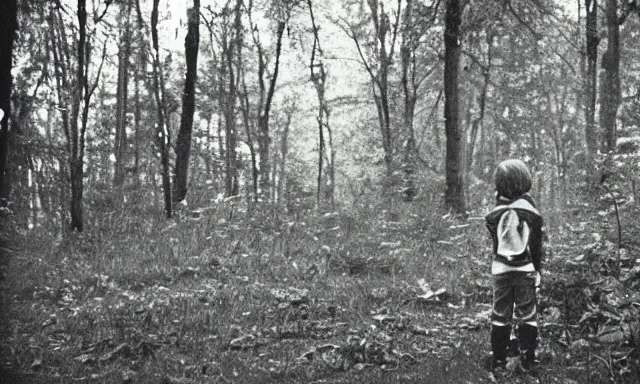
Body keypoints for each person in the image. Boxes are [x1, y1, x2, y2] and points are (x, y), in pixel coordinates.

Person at [485, 159, 544, 372]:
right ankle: (528, 359)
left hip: (501, 269)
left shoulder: (494, 214)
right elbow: (536, 247)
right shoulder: (532, 212)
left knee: (500, 313)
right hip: (525, 268)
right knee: (527, 312)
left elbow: (495, 245)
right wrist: (538, 270)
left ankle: (499, 360)